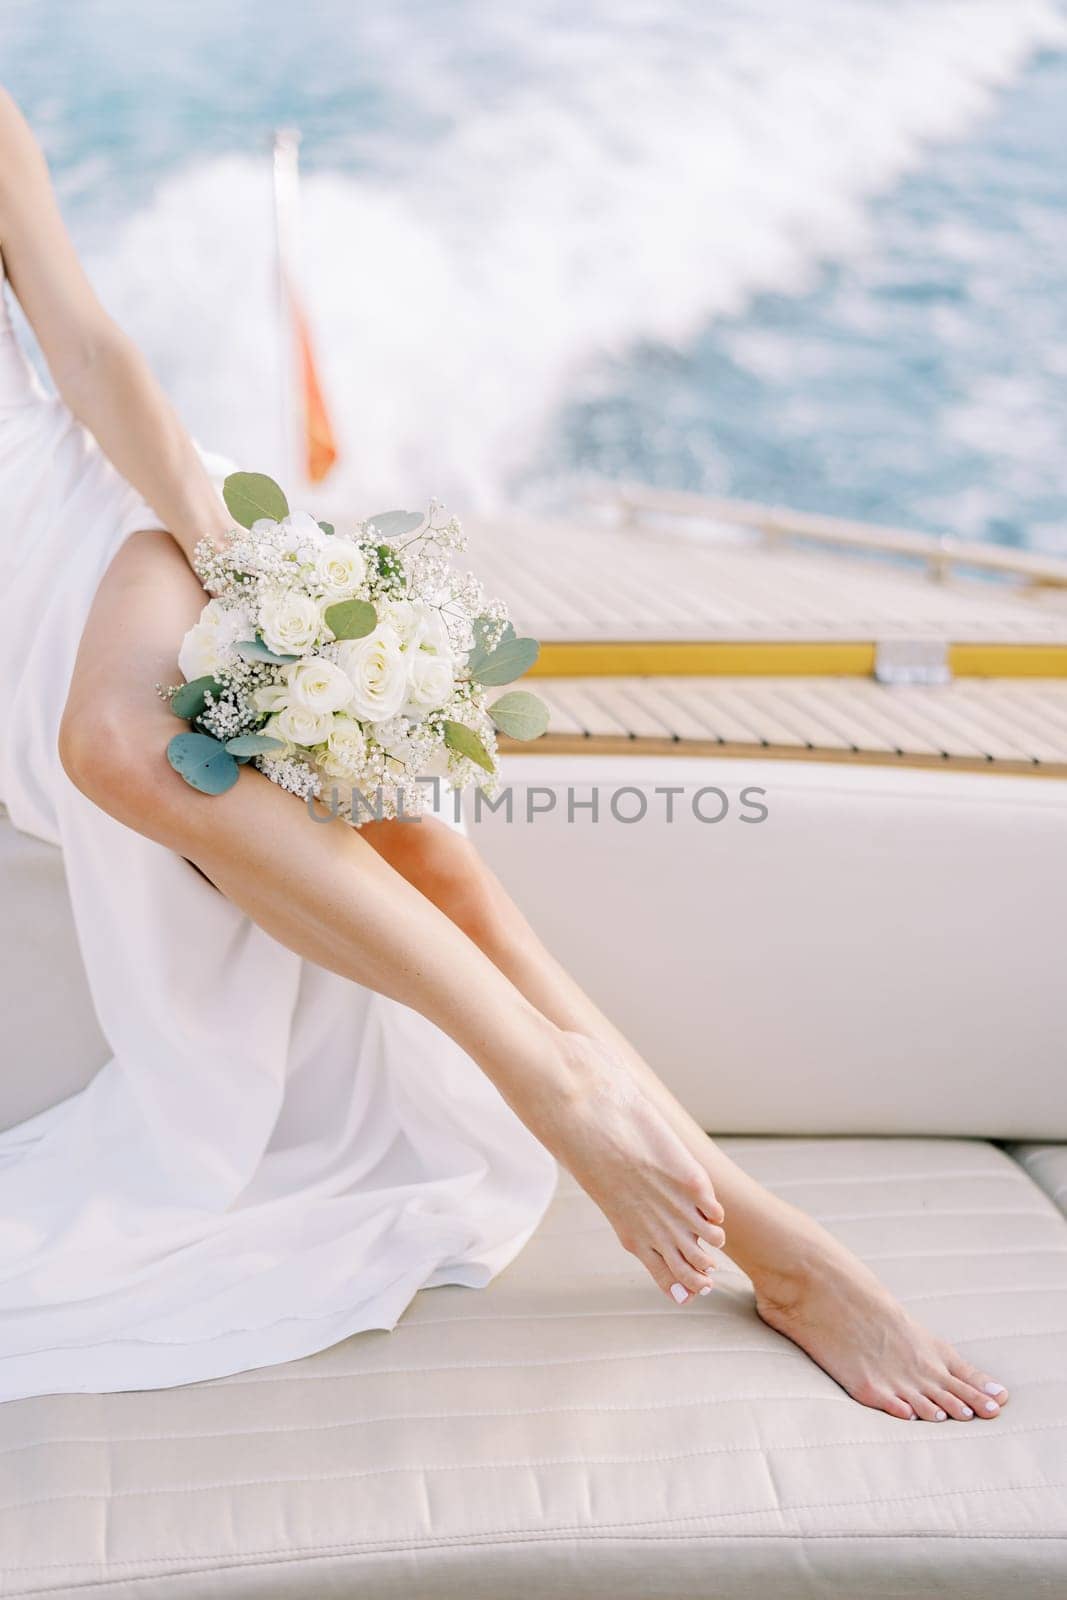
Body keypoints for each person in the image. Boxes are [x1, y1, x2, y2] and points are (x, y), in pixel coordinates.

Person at [0, 88, 1007, 1422]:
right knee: (404, 849)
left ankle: (741, 1218)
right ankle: (696, 1185)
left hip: (95, 518)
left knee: (166, 754)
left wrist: (232, 551)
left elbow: (83, 341)